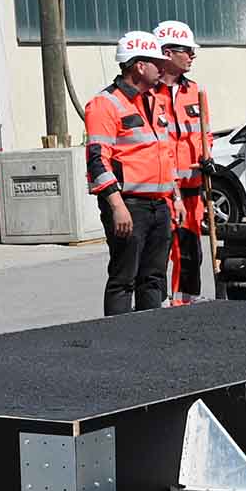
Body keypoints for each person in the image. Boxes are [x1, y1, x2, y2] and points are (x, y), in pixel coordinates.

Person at [85, 31, 176, 315]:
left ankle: (150, 337)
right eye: (156, 62)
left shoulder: (154, 100)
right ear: (138, 65)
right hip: (129, 205)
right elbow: (98, 161)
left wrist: (174, 200)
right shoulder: (105, 104)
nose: (162, 68)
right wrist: (117, 207)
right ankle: (119, 344)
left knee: (153, 279)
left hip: (159, 204)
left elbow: (163, 153)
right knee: (124, 279)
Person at [154, 19, 210, 302]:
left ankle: (188, 300)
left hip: (192, 186)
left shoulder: (195, 90)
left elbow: (204, 134)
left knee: (190, 249)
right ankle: (160, 301)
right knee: (162, 248)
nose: (192, 56)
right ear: (167, 53)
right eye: (186, 50)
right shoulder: (149, 94)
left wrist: (206, 157)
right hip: (162, 187)